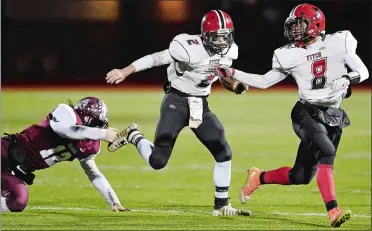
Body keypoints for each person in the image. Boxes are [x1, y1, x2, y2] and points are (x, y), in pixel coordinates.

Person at [215, 3, 369, 227]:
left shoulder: (339, 42)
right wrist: (233, 72)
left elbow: (363, 72)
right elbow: (265, 81)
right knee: (327, 151)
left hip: (333, 114)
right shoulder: (289, 54)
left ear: (315, 23)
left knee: (300, 176)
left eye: (300, 24)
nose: (295, 30)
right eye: (293, 26)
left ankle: (259, 177)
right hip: (306, 112)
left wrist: (348, 78)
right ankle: (333, 210)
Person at [106, 10, 250, 216]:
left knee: (223, 152)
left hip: (200, 104)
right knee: (158, 161)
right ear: (205, 35)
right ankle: (133, 136)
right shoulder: (187, 47)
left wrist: (235, 86)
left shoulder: (230, 51)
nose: (220, 42)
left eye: (224, 36)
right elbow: (156, 58)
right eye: (216, 37)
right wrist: (125, 71)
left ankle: (222, 205)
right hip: (176, 101)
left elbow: (221, 75)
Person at [1, 97, 129, 212]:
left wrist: (114, 200)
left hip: (15, 173)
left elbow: (94, 174)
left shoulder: (89, 146)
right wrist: (102, 134)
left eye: (100, 125)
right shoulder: (66, 112)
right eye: (96, 123)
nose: (99, 128)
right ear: (85, 116)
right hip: (5, 151)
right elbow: (67, 131)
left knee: (18, 202)